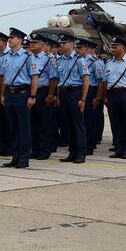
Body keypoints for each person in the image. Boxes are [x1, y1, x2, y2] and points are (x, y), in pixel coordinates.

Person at [0, 28, 37, 169]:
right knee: (12, 127)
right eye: (9, 37)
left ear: (20, 40)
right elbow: (3, 78)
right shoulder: (6, 57)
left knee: (23, 128)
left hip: (22, 94)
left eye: (12, 37)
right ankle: (15, 156)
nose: (9, 40)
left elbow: (34, 77)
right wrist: (2, 94)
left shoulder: (27, 56)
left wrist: (32, 96)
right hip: (9, 93)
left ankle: (24, 158)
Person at [54, 34, 90, 164]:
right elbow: (59, 80)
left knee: (78, 125)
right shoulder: (60, 61)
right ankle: (72, 152)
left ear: (71, 44)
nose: (61, 45)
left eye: (64, 43)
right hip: (63, 94)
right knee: (68, 125)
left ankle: (81, 152)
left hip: (75, 93)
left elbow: (86, 80)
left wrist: (83, 99)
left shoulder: (79, 60)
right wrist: (58, 96)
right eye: (60, 43)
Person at [28, 33, 58, 159]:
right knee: (32, 123)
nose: (32, 45)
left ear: (42, 44)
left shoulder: (48, 59)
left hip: (42, 92)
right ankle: (35, 149)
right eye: (31, 43)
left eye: (35, 43)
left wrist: (50, 95)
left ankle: (45, 150)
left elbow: (53, 78)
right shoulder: (28, 58)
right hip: (31, 92)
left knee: (43, 123)